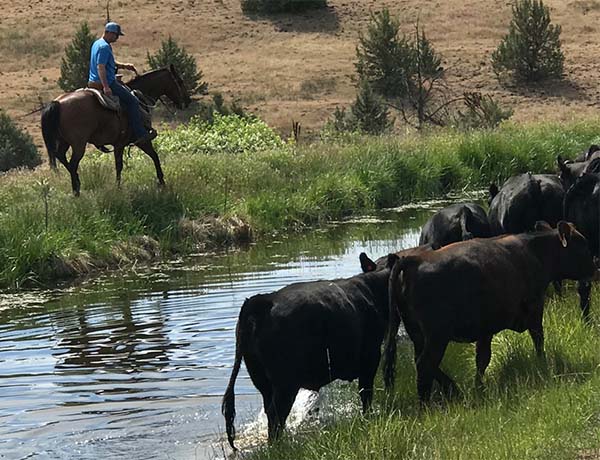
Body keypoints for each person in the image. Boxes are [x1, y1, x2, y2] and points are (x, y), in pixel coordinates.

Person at [88, 21, 156, 145]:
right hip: (106, 82)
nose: (117, 38)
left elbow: (108, 63)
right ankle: (140, 134)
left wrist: (124, 66)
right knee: (133, 101)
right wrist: (106, 86)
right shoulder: (104, 47)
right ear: (108, 33)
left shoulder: (97, 43)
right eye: (116, 35)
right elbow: (101, 67)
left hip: (92, 81)